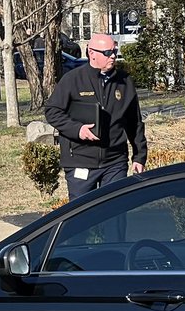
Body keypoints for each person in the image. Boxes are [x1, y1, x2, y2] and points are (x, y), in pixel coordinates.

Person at [45, 32, 146, 199]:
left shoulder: (124, 82)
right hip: (80, 160)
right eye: (107, 53)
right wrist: (77, 130)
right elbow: (52, 111)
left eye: (114, 51)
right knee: (82, 219)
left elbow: (134, 122)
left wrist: (139, 156)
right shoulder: (72, 79)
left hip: (115, 162)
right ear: (91, 53)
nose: (113, 56)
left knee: (115, 216)